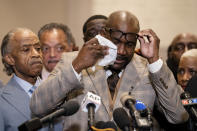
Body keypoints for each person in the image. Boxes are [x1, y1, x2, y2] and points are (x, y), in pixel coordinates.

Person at [30, 11, 188, 131]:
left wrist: (154, 61)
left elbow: (179, 115)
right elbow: (38, 106)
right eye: (116, 41)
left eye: (129, 44)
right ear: (103, 34)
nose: (122, 51)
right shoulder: (73, 60)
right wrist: (77, 65)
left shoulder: (148, 69)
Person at [0, 28, 43, 131]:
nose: (36, 54)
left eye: (38, 48)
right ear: (10, 59)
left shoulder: (58, 92)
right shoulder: (2, 100)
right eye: (26, 50)